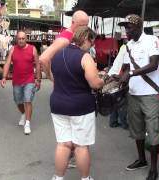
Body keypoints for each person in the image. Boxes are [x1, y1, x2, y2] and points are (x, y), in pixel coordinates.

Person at [49, 26, 104, 180]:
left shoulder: (57, 54)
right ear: (85, 39)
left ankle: (58, 178)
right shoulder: (85, 57)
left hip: (58, 104)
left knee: (63, 144)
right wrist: (101, 81)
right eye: (91, 42)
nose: (91, 46)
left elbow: (55, 74)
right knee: (81, 146)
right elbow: (94, 83)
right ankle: (85, 179)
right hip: (80, 106)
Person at [118, 14, 159, 180]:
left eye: (129, 27)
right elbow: (127, 67)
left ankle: (154, 169)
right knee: (137, 130)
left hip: (149, 94)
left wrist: (131, 73)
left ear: (139, 27)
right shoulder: (128, 45)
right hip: (133, 93)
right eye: (125, 27)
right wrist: (118, 77)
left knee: (153, 130)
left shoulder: (152, 40)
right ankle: (142, 159)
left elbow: (153, 64)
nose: (126, 30)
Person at [0, 30, 41, 135]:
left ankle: (27, 123)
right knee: (18, 101)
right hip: (17, 80)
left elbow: (37, 64)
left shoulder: (32, 49)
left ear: (26, 39)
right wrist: (4, 77)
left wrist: (38, 79)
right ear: (16, 39)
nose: (21, 40)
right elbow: (8, 63)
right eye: (19, 39)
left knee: (27, 100)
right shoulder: (13, 49)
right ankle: (23, 114)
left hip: (29, 80)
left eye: (23, 38)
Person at [40, 10, 89, 81]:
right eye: (81, 25)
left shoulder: (75, 35)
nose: (84, 29)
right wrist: (51, 78)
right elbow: (43, 58)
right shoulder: (64, 39)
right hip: (66, 86)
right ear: (73, 23)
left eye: (86, 25)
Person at [107, 43, 128, 129]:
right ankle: (124, 124)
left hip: (113, 74)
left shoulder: (123, 46)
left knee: (115, 100)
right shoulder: (129, 48)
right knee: (122, 102)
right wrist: (122, 78)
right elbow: (124, 65)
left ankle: (113, 122)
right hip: (117, 76)